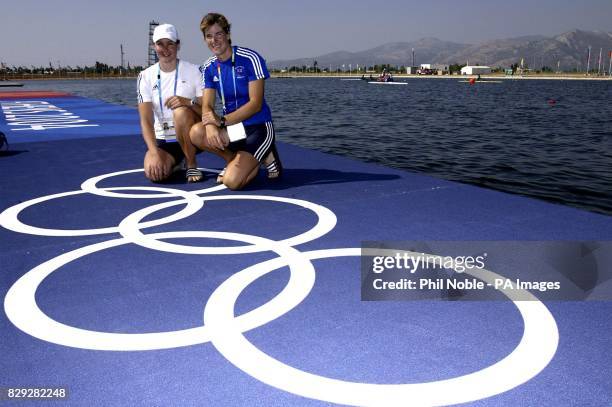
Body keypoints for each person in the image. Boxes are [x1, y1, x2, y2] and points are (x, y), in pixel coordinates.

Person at [189, 13, 282, 190]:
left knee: (231, 182)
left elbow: (256, 104)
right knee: (196, 133)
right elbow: (207, 105)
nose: (214, 40)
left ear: (228, 35)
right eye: (209, 36)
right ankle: (235, 160)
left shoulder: (250, 59)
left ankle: (267, 153)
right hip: (234, 129)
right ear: (204, 40)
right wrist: (210, 126)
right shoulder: (208, 67)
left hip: (258, 126)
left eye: (218, 34)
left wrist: (221, 121)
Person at [137, 23, 204, 183]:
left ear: (178, 45)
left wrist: (187, 102)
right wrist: (153, 152)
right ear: (154, 46)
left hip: (193, 137)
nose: (165, 49)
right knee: (155, 173)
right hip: (164, 140)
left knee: (180, 112)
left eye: (170, 44)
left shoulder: (195, 71)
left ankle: (191, 162)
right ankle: (175, 162)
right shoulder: (145, 76)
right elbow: (146, 120)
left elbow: (205, 112)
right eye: (160, 44)